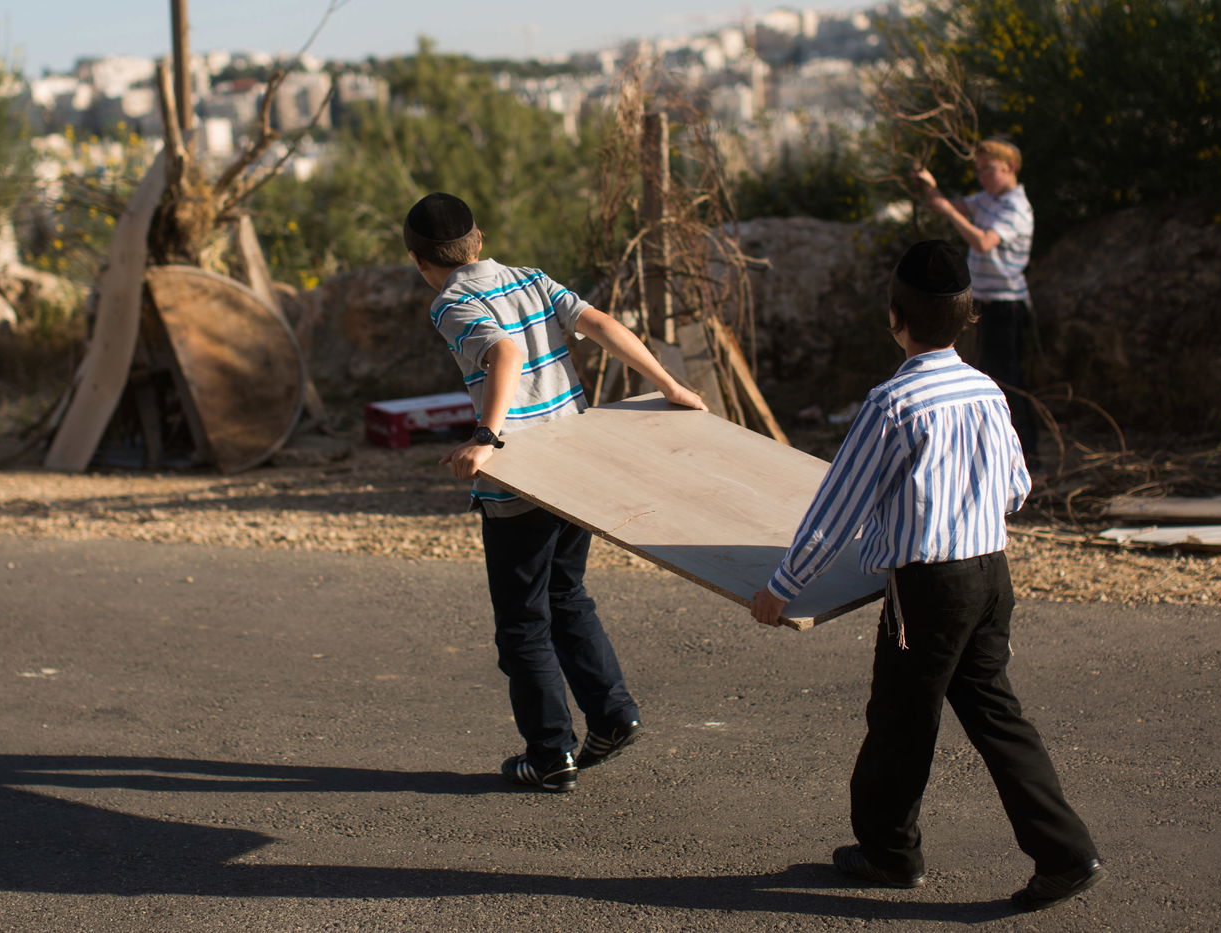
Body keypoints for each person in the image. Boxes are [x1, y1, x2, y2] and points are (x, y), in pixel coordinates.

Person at [749, 240, 1104, 912]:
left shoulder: (893, 403)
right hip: (991, 574)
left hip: (929, 589)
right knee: (997, 715)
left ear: (894, 315)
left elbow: (837, 508)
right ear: (969, 316)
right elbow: (1016, 487)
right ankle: (1066, 852)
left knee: (901, 719)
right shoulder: (987, 389)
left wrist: (780, 588)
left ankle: (889, 851)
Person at [405, 192, 707, 793]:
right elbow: (599, 325)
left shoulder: (451, 303)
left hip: (522, 478)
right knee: (566, 594)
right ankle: (613, 717)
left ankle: (548, 754)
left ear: (419, 261)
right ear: (480, 239)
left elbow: (505, 352)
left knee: (522, 622)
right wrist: (671, 385)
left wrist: (487, 436)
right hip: (576, 464)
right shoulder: (531, 280)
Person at [914, 138, 1041, 469]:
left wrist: (947, 211)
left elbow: (983, 242)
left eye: (989, 169)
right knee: (988, 374)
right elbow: (944, 203)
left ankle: (1027, 453)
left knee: (1007, 378)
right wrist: (929, 186)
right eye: (979, 169)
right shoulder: (986, 200)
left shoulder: (1016, 207)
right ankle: (997, 449)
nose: (982, 176)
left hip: (1006, 304)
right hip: (984, 301)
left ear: (1009, 167)